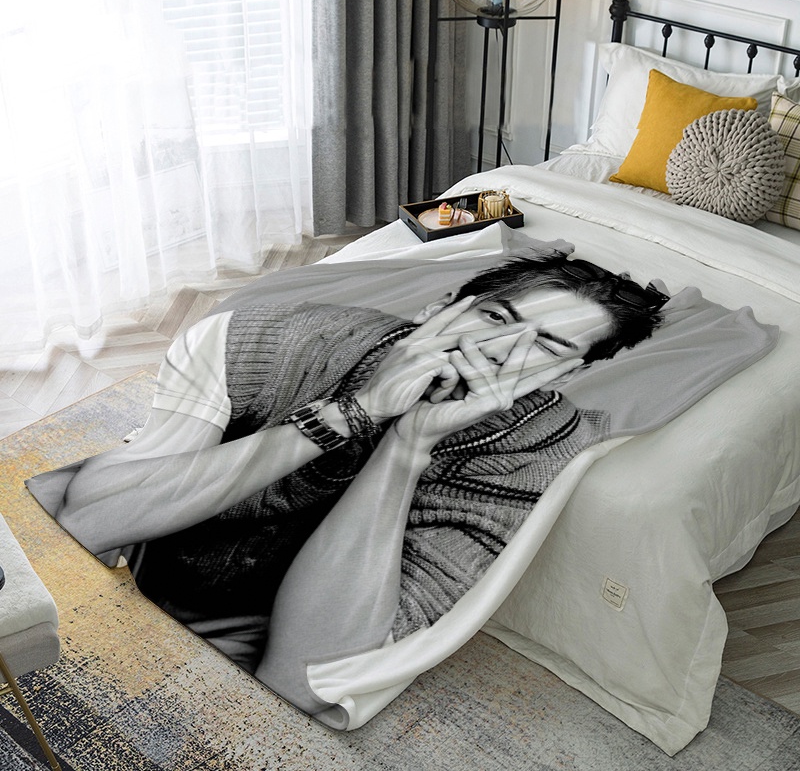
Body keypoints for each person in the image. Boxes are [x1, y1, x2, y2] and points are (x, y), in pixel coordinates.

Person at [30, 253, 666, 676]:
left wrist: (405, 448)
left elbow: (309, 672)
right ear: (439, 307)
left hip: (253, 637)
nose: (500, 350)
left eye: (546, 347)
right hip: (143, 569)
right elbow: (90, 520)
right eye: (495, 317)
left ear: (568, 376)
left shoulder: (537, 449)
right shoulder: (264, 339)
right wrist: (351, 413)